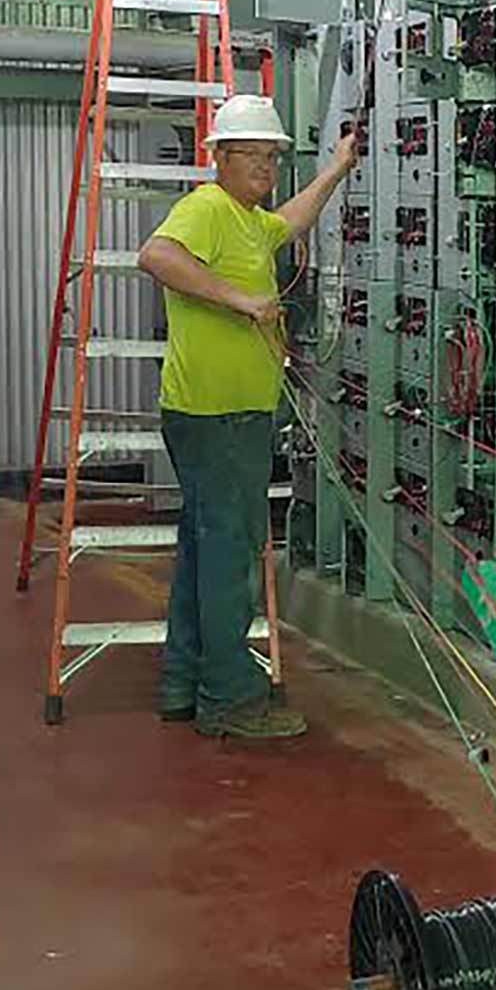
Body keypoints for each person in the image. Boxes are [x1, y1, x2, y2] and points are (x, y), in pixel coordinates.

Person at [137, 94, 357, 738]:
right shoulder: (206, 208)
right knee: (231, 557)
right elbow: (156, 256)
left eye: (272, 157)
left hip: (230, 415)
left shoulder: (247, 218)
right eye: (255, 156)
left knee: (204, 552)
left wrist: (336, 169)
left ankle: (184, 683)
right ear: (221, 157)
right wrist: (241, 299)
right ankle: (229, 698)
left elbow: (289, 222)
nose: (266, 168)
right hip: (218, 416)